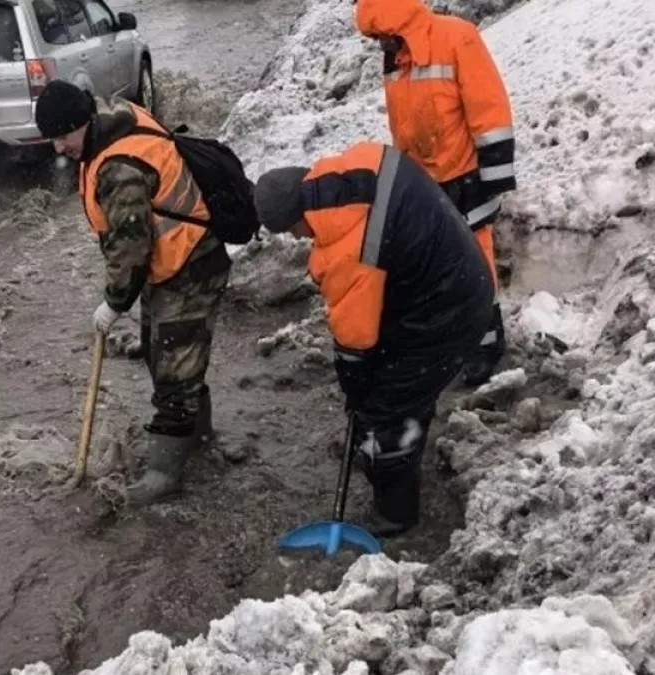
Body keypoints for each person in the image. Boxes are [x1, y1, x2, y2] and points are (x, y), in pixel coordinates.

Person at [253, 142, 493, 536]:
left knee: (388, 408)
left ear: (299, 217)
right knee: (398, 381)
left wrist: (358, 396)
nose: (299, 240)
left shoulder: (348, 250)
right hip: (450, 275)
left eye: (294, 231)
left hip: (447, 310)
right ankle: (404, 440)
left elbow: (355, 344)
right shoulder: (357, 167)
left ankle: (395, 514)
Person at [33, 80, 231, 505]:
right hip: (172, 266)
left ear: (83, 123)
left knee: (175, 370)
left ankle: (164, 474)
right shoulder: (109, 124)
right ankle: (197, 436)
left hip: (191, 265)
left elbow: (130, 245)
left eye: (62, 137)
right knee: (164, 352)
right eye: (52, 139)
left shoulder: (119, 168)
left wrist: (114, 302)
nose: (58, 149)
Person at [354, 0, 517, 386]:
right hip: (424, 183)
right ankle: (448, 339)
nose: (380, 45)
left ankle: (485, 345)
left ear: (399, 27)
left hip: (465, 177)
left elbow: (489, 108)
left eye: (382, 37)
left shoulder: (457, 37)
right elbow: (404, 124)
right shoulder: (397, 56)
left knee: (475, 265)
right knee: (434, 269)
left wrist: (491, 177)